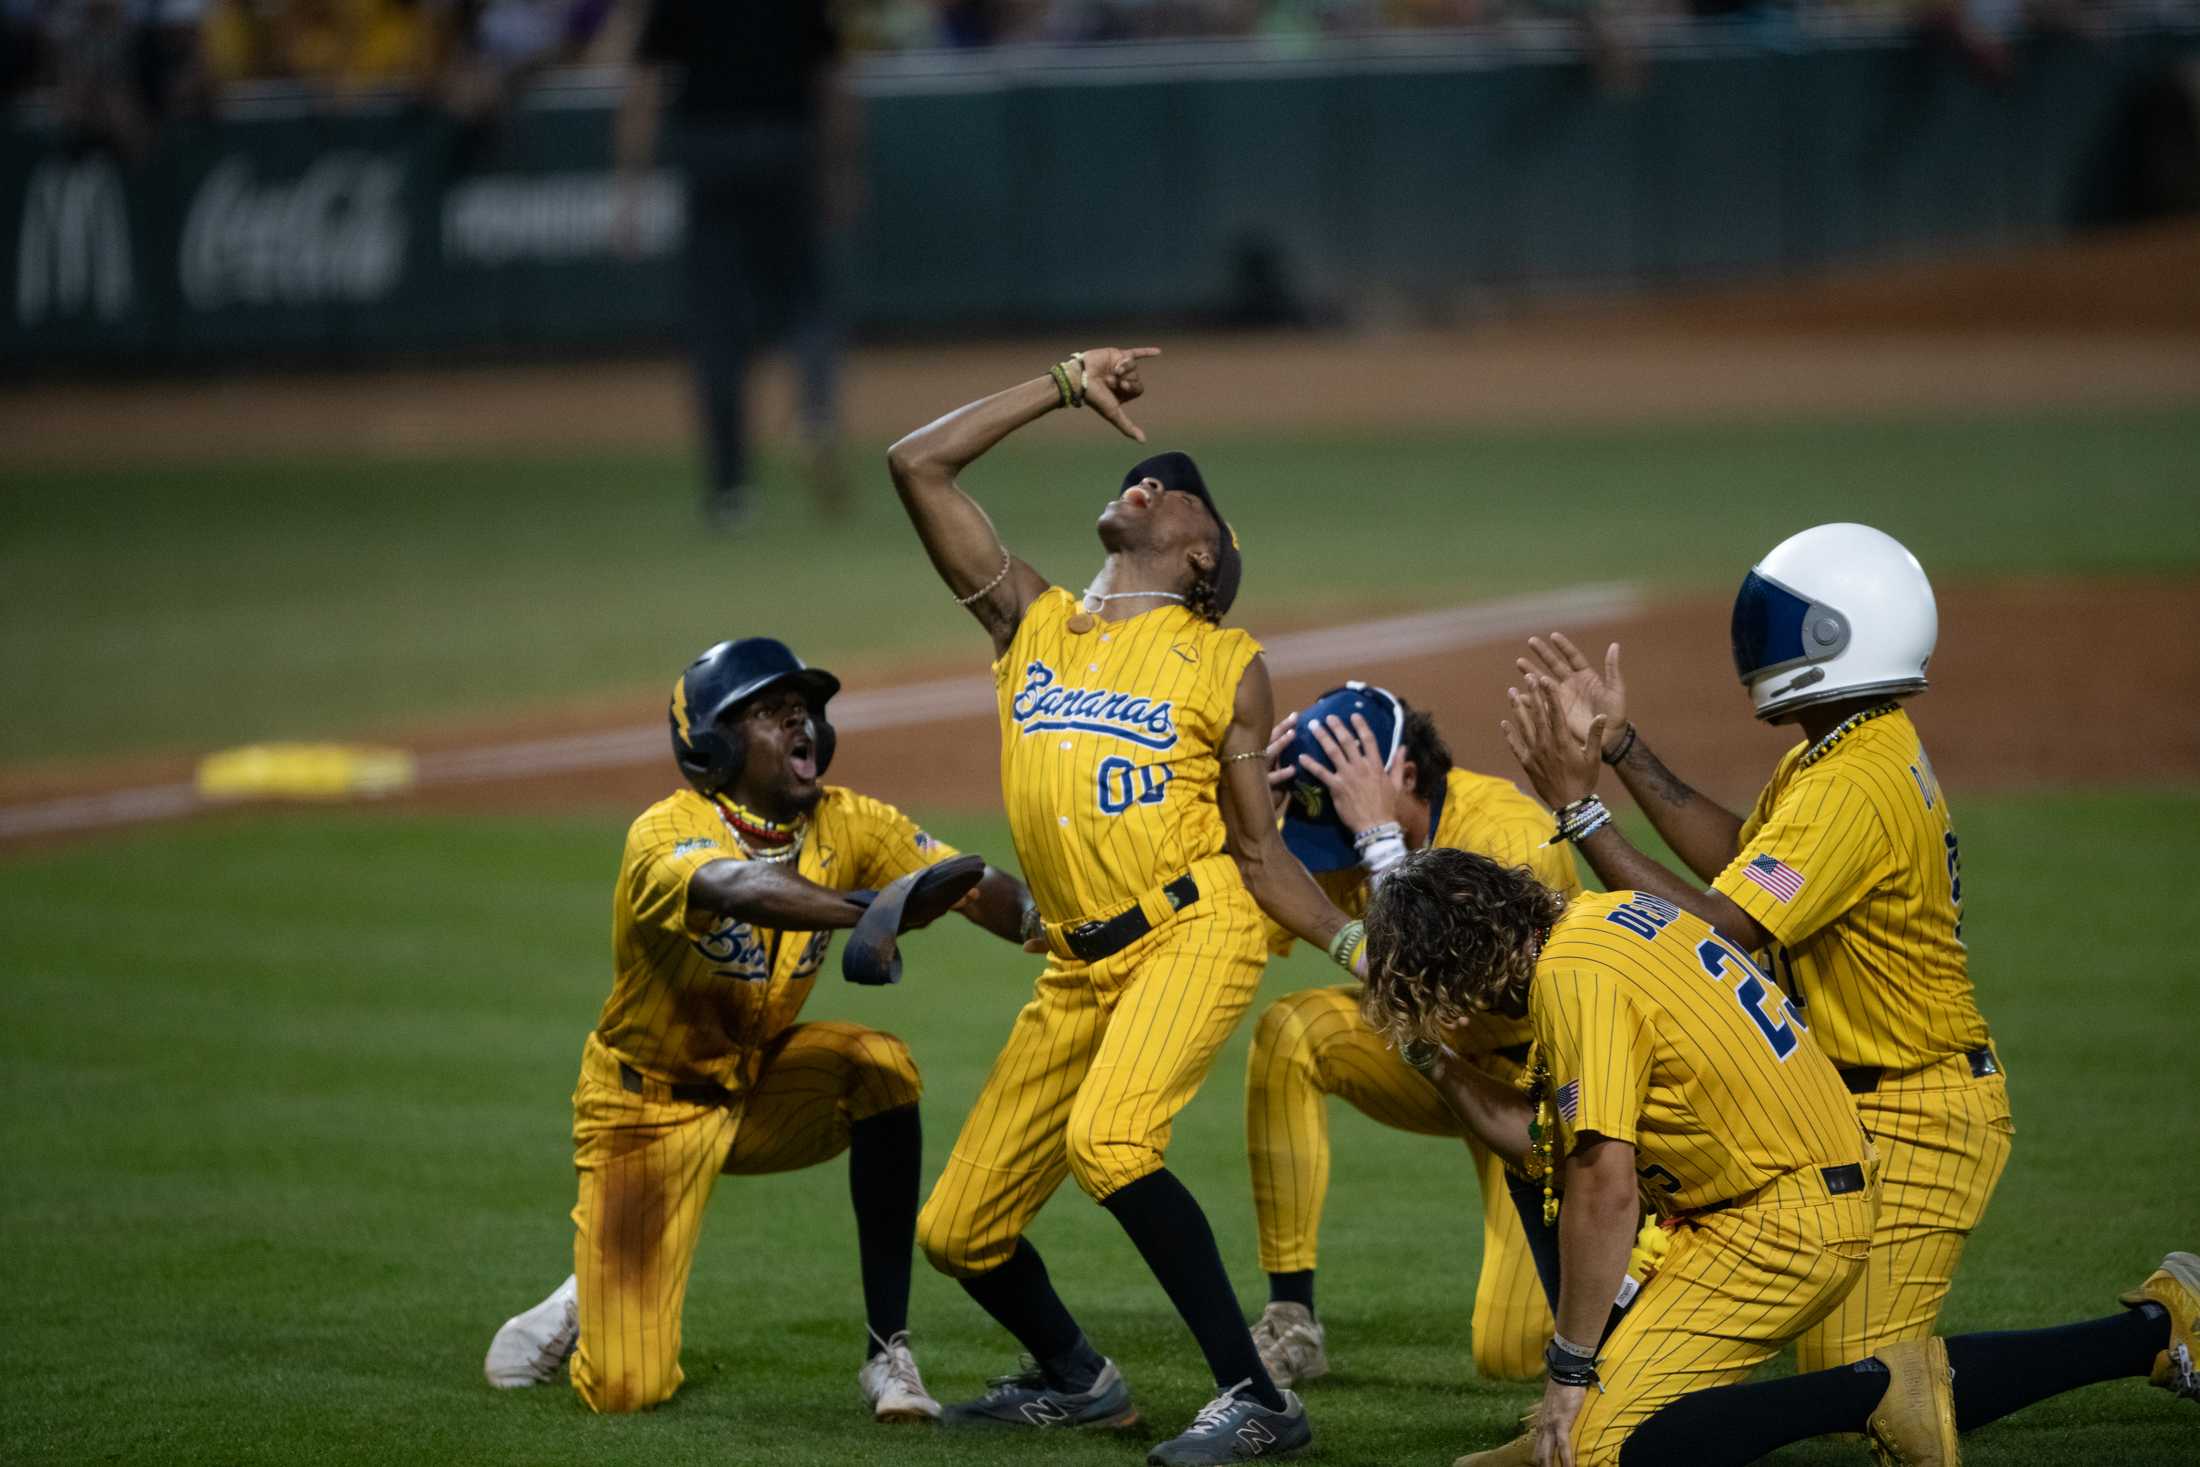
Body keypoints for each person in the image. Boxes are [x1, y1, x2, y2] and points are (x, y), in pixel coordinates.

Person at [886, 347, 1367, 1464]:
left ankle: (1258, 1400)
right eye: (1138, 471)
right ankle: (1080, 1379)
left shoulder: (1224, 660)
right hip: (1075, 967)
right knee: (959, 1231)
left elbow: (1257, 852)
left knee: (1110, 1139)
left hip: (1193, 933)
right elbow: (917, 465)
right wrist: (1057, 385)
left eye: (1172, 483)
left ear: (1203, 552)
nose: (1144, 477)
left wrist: (1354, 942)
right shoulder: (1032, 622)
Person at [1364, 836, 2196, 1465]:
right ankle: (2154, 1324)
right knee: (1592, 1427)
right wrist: (1437, 1060)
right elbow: (1542, 1141)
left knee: (1599, 1443)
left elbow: (1604, 1191)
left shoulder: (1573, 978)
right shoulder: (1606, 920)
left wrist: (1568, 1367)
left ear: (1457, 967)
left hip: (1776, 1220)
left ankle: (1877, 1393)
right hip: (1778, 1193)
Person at [1502, 522, 2013, 1375]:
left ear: (1838, 636)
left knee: (1864, 1380)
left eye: (1778, 624)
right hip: (1844, 1102)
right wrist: (1623, 748)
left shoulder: (1854, 781)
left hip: (1921, 1109)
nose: (1755, 642)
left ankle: (2151, 1330)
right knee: (1847, 1375)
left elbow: (1723, 928)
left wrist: (1582, 813)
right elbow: (1742, 861)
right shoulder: (1841, 747)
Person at [482, 637, 1036, 1419]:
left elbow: (967, 885)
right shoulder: (665, 832)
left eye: (803, 709)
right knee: (625, 1390)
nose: (800, 722)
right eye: (770, 713)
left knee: (881, 1066)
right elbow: (742, 887)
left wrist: (1060, 927)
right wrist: (867, 910)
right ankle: (592, 1287)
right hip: (642, 1115)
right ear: (714, 744)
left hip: (754, 1089)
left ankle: (889, 1354)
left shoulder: (851, 823)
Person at [1241, 682, 1585, 1387]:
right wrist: (1259, 829)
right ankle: (1291, 1317)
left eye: (1337, 826)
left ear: (1403, 774)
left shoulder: (1510, 838)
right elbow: (1254, 926)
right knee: (1289, 1031)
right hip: (1441, 1063)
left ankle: (1648, 1249)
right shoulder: (1348, 834)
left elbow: (1449, 997)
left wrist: (1378, 842)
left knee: (1514, 1349)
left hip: (1540, 1095)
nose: (1333, 849)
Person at [616, 0, 858, 528]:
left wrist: (629, 189)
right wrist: (841, 169)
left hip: (710, 152)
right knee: (805, 302)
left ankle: (731, 491)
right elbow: (832, 78)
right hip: (787, 147)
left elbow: (644, 81)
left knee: (716, 324)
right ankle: (813, 411)